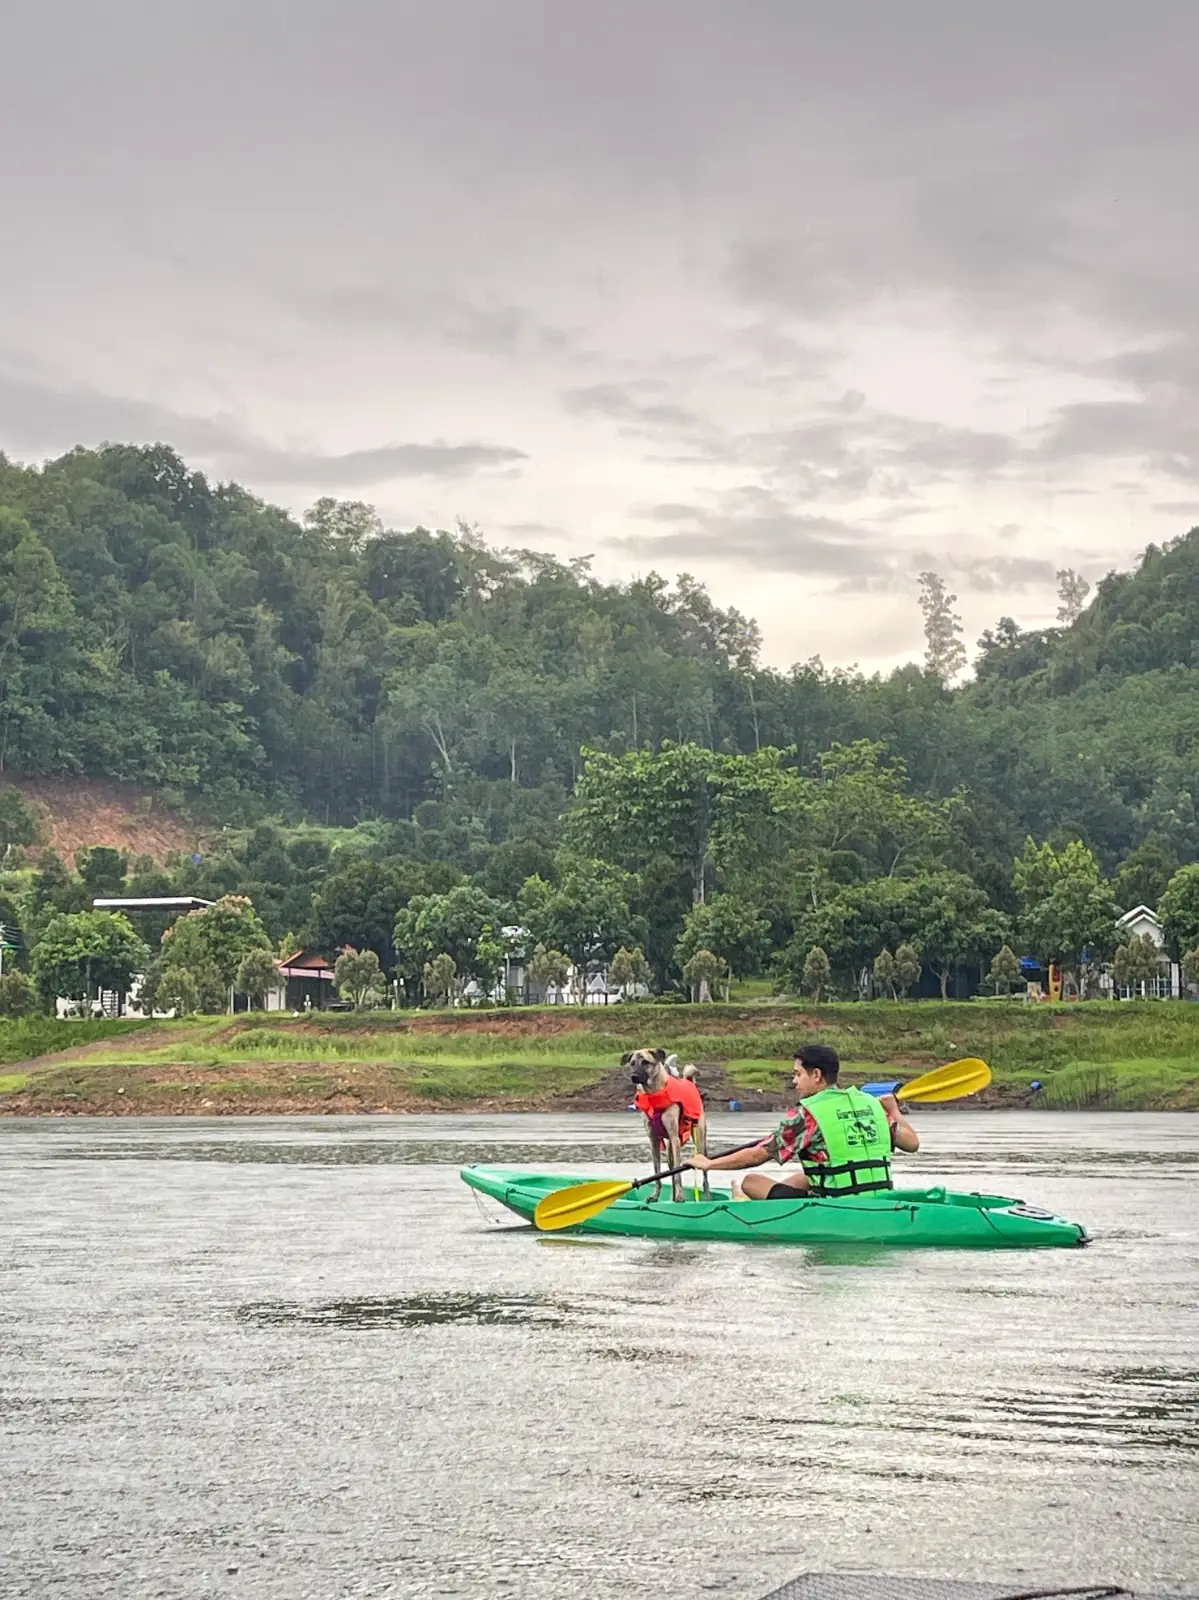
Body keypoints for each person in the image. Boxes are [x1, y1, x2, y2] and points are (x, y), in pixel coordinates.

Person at [690, 1043, 919, 1200]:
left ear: (816, 1075)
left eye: (798, 1074)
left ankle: (741, 1198)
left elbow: (757, 1155)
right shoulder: (869, 1104)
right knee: (805, 1178)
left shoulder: (808, 1114)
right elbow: (912, 1144)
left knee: (750, 1182)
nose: (794, 1081)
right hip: (879, 1197)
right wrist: (894, 1111)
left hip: (836, 1204)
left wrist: (709, 1163)